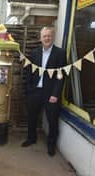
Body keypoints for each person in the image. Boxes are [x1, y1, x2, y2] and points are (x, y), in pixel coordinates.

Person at [21, 27, 66, 157]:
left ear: (52, 37)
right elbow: (29, 71)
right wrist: (28, 89)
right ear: (41, 38)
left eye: (49, 36)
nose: (46, 38)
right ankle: (31, 138)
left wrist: (56, 94)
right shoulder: (34, 53)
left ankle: (51, 145)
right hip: (34, 91)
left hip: (51, 93)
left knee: (52, 120)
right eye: (44, 36)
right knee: (32, 117)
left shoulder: (60, 53)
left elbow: (61, 75)